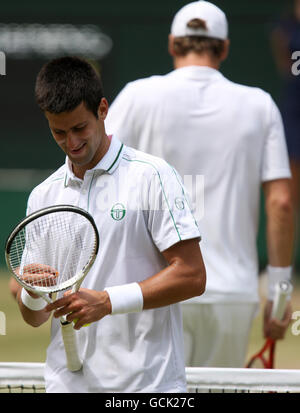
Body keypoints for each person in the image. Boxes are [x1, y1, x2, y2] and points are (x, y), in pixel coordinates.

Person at [105, 1, 295, 368]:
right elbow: (281, 203)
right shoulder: (260, 105)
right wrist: (280, 293)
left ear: (174, 44)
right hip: (230, 296)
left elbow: (95, 174)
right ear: (223, 48)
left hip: (152, 290)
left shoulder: (135, 96)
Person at [13, 56, 206, 392]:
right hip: (67, 385)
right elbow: (35, 316)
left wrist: (107, 301)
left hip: (147, 387)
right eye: (59, 132)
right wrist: (31, 294)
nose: (71, 143)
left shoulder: (152, 176)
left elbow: (192, 275)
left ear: (102, 110)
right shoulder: (42, 196)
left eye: (79, 129)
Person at [271, 0, 300, 272]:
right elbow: (285, 64)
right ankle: (285, 270)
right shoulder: (285, 27)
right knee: (289, 197)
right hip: (293, 115)